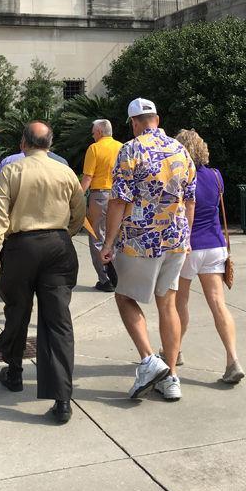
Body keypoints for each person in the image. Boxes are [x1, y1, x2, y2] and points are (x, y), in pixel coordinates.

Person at [0, 121, 86, 424]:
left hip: (21, 246)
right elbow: (79, 212)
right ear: (49, 143)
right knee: (58, 321)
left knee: (17, 311)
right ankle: (62, 398)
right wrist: (65, 233)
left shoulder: (12, 172)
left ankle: (14, 371)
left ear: (23, 143)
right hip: (58, 246)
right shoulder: (65, 172)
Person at [101, 98, 196, 403]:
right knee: (167, 304)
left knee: (125, 295)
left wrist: (108, 242)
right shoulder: (180, 150)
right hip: (176, 239)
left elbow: (118, 201)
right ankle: (172, 377)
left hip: (141, 240)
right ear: (156, 118)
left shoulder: (130, 149)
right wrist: (187, 236)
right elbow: (191, 199)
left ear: (133, 122)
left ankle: (149, 360)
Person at [175, 130, 245, 384]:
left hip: (188, 248)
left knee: (179, 304)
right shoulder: (216, 176)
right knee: (218, 304)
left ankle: (175, 350)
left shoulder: (181, 177)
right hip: (215, 245)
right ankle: (232, 359)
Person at [80, 119, 122, 292]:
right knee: (116, 237)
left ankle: (105, 279)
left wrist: (76, 196)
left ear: (99, 132)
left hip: (100, 196)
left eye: (93, 131)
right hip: (120, 196)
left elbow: (88, 177)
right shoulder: (122, 147)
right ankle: (119, 276)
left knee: (97, 236)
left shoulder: (94, 148)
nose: (92, 134)